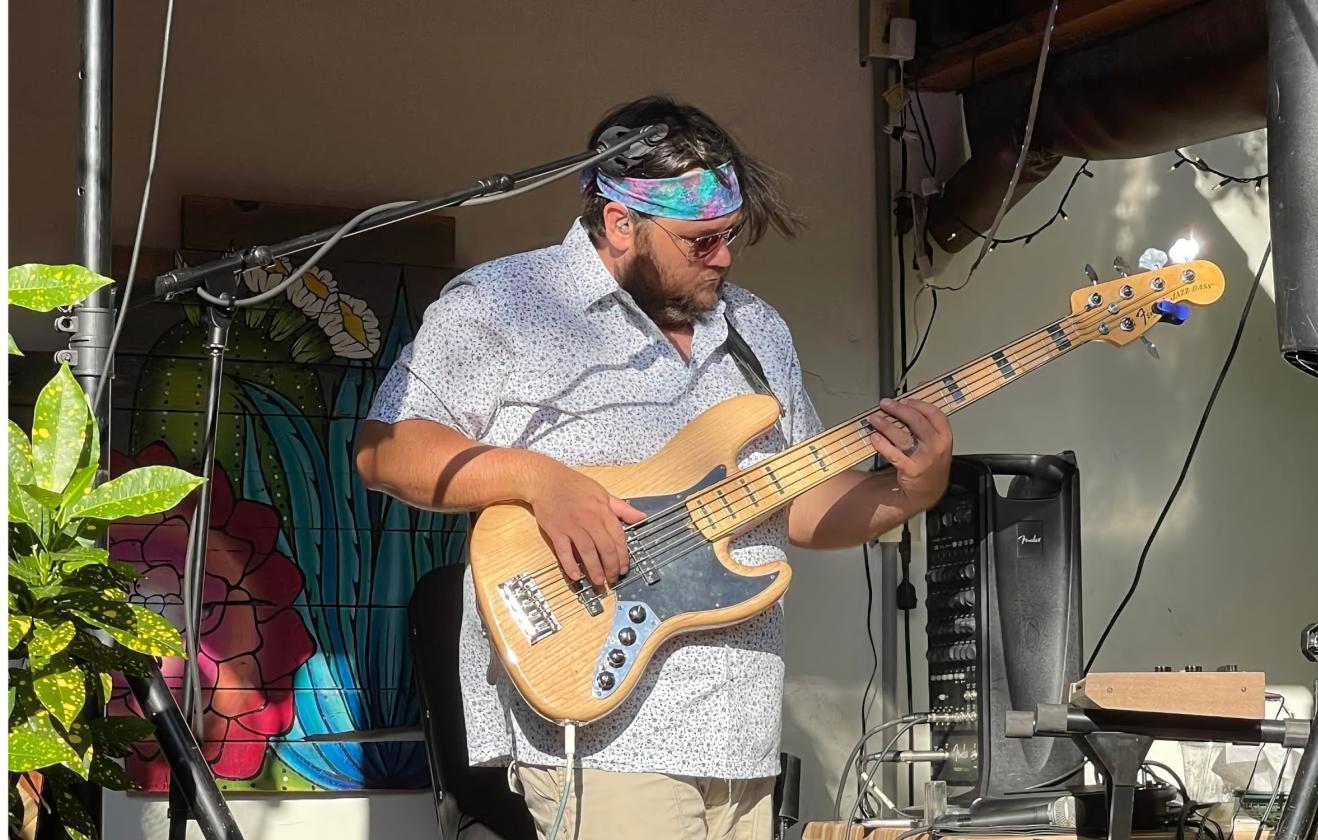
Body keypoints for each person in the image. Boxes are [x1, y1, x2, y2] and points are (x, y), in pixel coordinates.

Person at [356, 96, 953, 840]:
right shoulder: (507, 303)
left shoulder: (756, 328)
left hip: (741, 737)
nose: (725, 258)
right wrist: (541, 481)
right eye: (700, 241)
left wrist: (911, 488)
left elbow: (796, 508)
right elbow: (386, 449)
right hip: (607, 736)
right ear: (619, 224)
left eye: (732, 236)